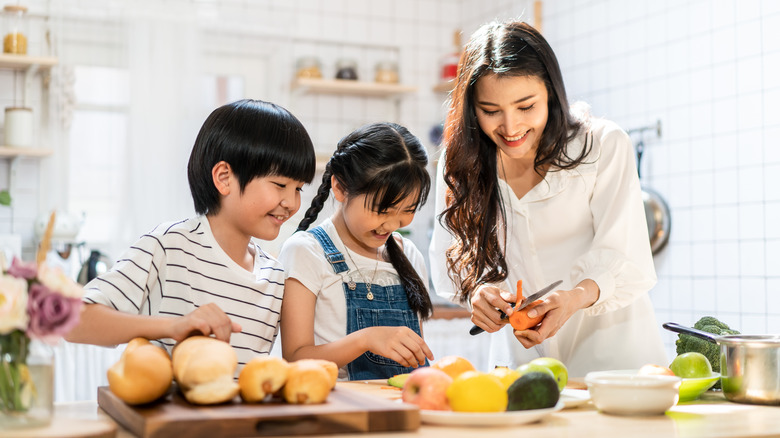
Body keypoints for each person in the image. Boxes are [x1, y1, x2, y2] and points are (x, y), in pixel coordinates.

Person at [428, 20, 667, 377]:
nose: (510, 127)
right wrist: (478, 292)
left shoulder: (601, 145)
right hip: (526, 364)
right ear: (471, 108)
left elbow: (627, 256)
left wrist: (574, 297)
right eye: (491, 111)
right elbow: (453, 254)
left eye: (526, 106)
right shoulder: (460, 160)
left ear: (551, 93)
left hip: (616, 361)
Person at [65, 99, 316, 368]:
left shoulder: (275, 276)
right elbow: (73, 321)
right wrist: (173, 326)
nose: (291, 202)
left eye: (298, 189)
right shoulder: (169, 246)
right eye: (280, 184)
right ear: (223, 177)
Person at [279, 122, 434, 381]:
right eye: (382, 210)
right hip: (339, 412)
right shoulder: (306, 252)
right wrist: (365, 339)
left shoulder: (409, 254)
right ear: (339, 188)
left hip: (402, 409)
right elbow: (294, 358)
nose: (392, 225)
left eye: (408, 210)